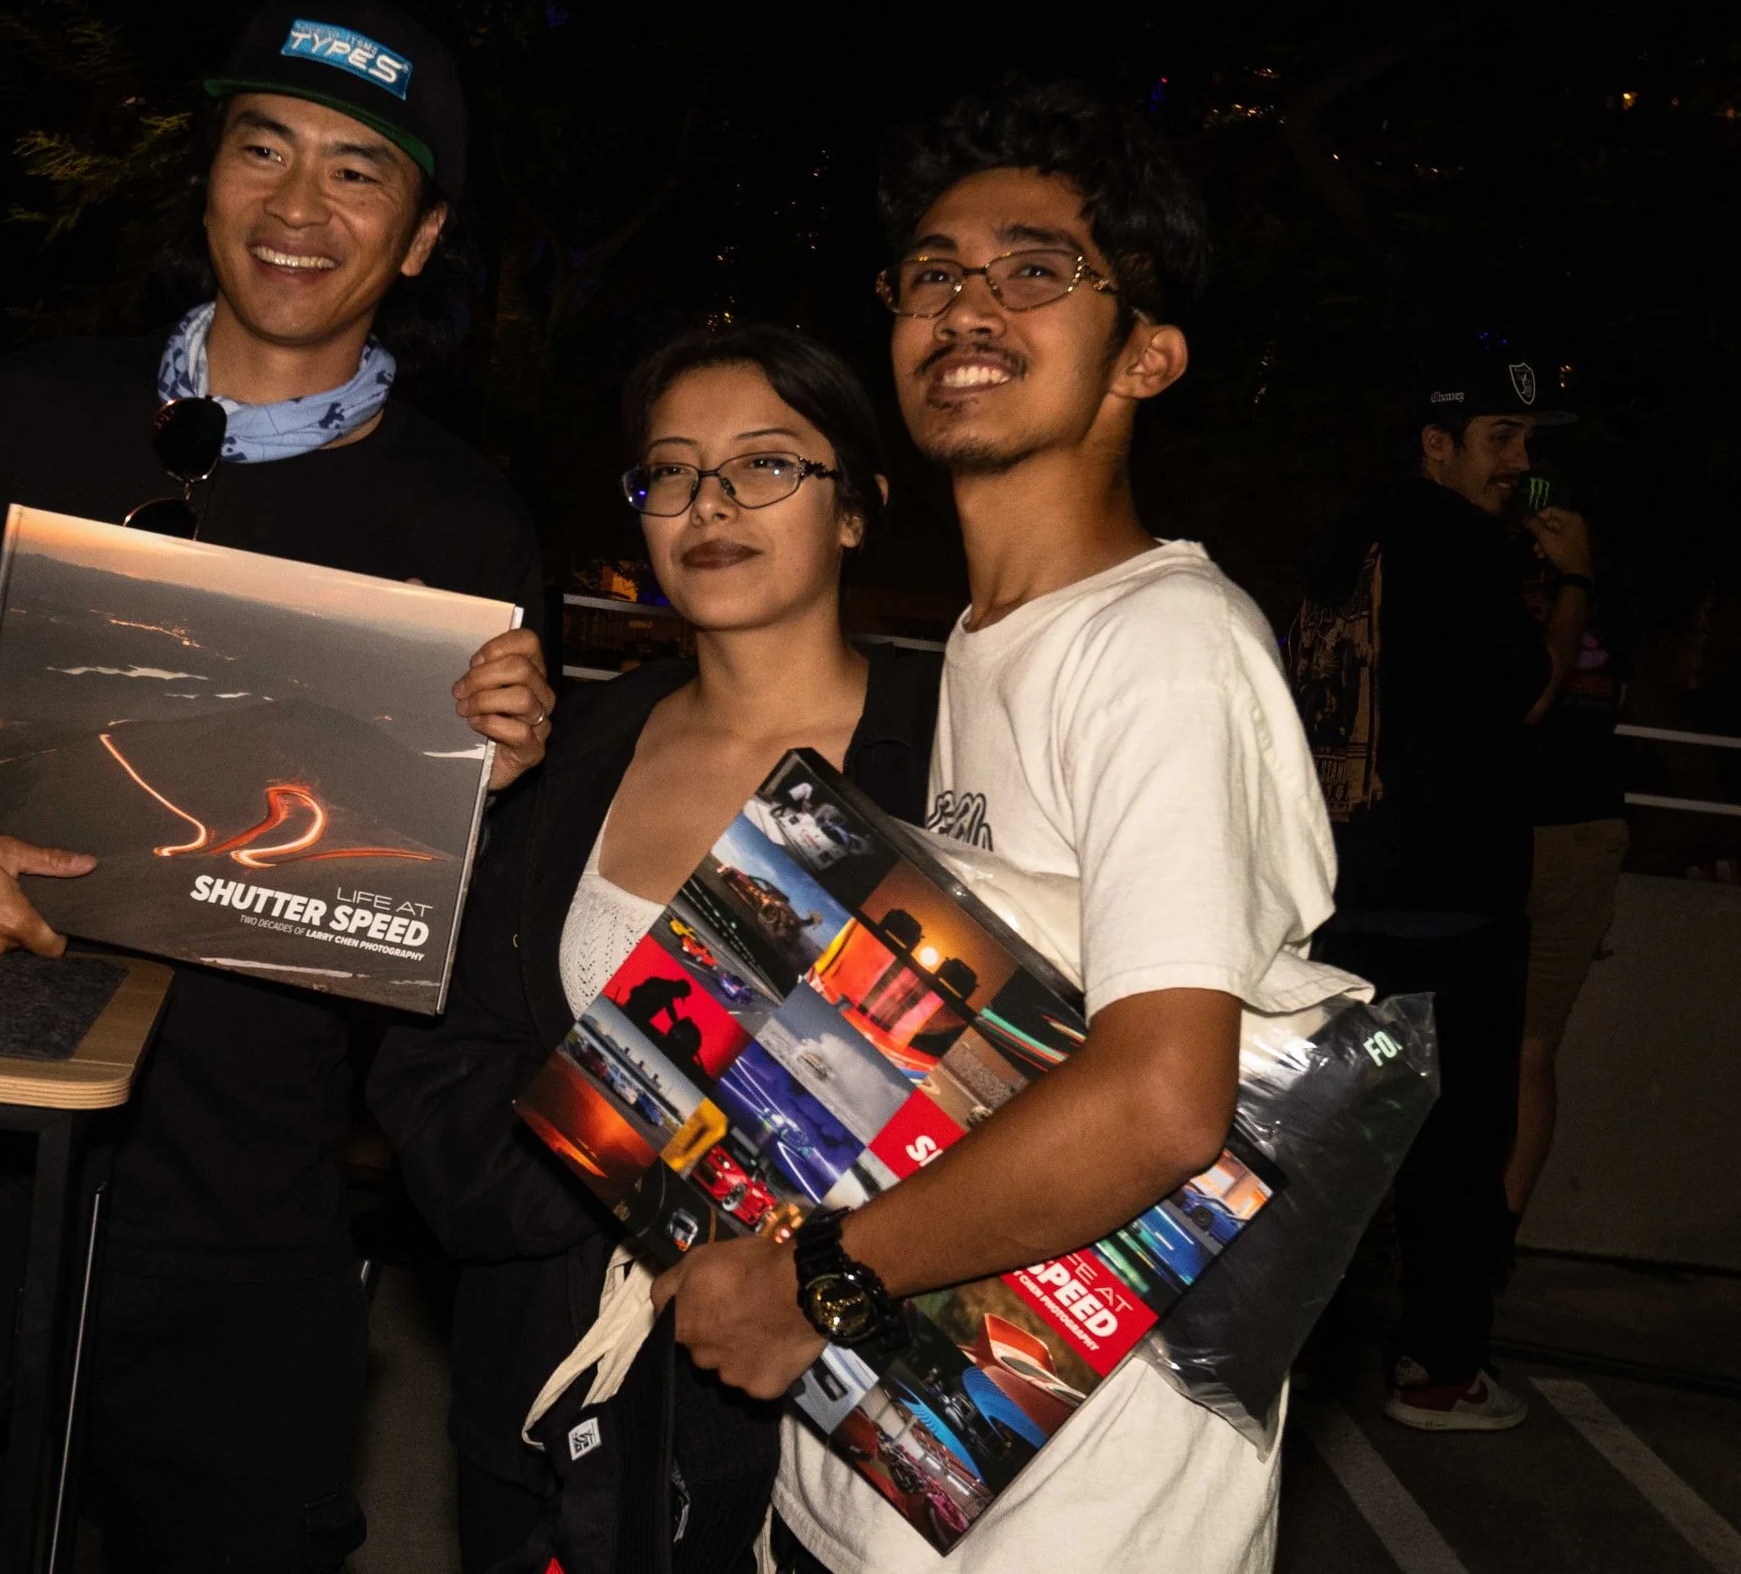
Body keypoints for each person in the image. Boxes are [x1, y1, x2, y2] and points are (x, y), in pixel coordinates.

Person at [0, 0, 551, 1574]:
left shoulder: (467, 525)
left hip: (254, 1195)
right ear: (209, 176)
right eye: (264, 148)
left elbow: (451, 902)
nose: (298, 207)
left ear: (425, 236)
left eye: (359, 174)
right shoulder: (36, 410)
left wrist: (498, 777)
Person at [657, 83, 1344, 1574]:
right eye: (933, 272)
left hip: (1080, 1520)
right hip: (900, 1474)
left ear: (1147, 352)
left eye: (1037, 269)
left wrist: (810, 1280)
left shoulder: (1162, 643)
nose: (969, 303)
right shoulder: (988, 642)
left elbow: (1166, 1097)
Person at [369, 324, 940, 1574]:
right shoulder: (570, 754)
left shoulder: (952, 756)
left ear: (857, 511)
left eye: (766, 465)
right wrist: (632, 1189)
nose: (709, 504)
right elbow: (435, 1076)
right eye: (671, 472)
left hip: (875, 1408)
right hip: (569, 1391)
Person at [1292, 347, 1590, 1432]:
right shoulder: (1461, 542)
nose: (1519, 462)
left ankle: (1275, 1344)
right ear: (1436, 442)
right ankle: (1439, 1371)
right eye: (1498, 440)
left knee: (1321, 1136)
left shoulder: (1344, 534)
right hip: (1449, 903)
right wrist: (1571, 585)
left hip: (1340, 890)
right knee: (1458, 1146)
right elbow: (1529, 695)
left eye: (1527, 441)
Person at [1508, 475, 1627, 1223]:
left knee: (1512, 1052)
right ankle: (1488, 1237)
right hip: (1577, 829)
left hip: (1540, 829)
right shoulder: (1612, 593)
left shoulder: (1556, 592)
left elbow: (1535, 697)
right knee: (1525, 1051)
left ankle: (1481, 1239)